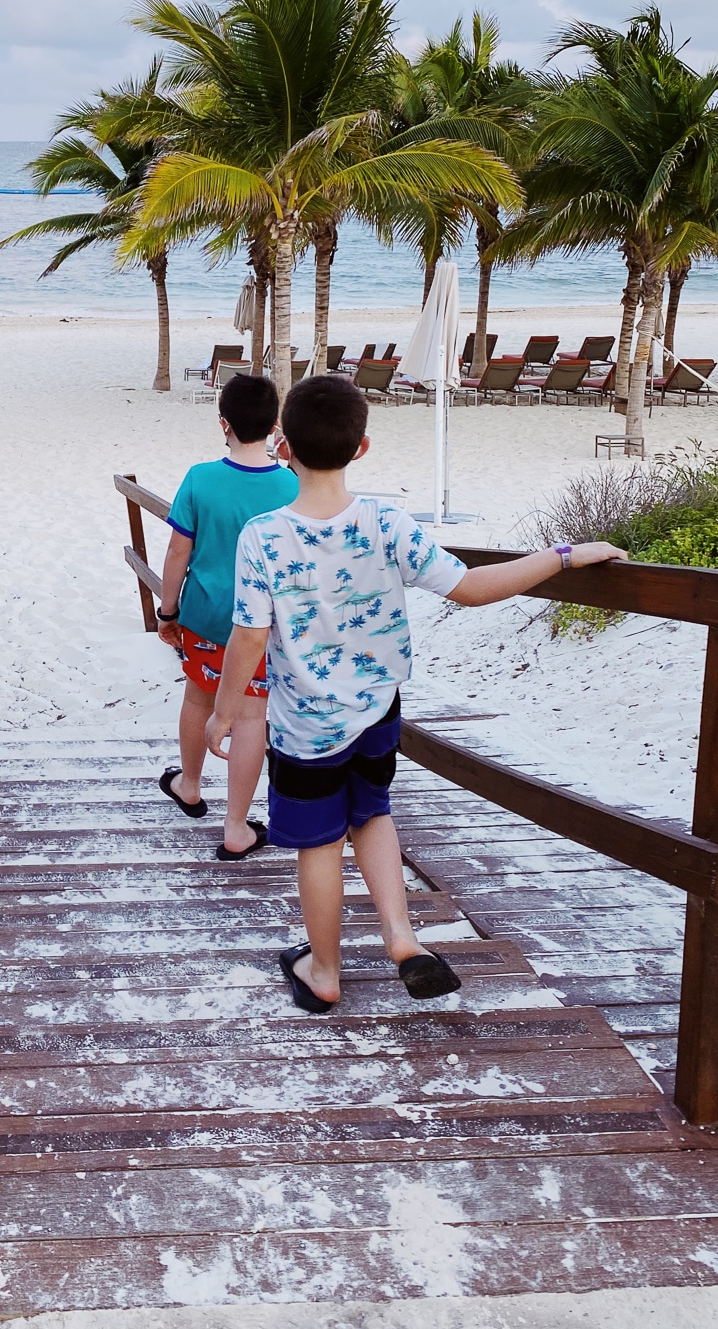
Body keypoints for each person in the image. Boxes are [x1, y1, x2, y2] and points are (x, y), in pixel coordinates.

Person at [205, 373, 626, 1011]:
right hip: (378, 710)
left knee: (319, 844)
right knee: (372, 814)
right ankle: (402, 938)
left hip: (306, 727)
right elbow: (473, 586)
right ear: (362, 447)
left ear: (283, 445)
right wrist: (563, 555)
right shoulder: (385, 521)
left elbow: (249, 639)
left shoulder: (263, 536)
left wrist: (224, 712)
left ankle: (324, 971)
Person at [155, 372, 298, 859]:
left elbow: (178, 553)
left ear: (224, 425)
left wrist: (167, 610)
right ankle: (236, 826)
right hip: (262, 627)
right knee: (252, 716)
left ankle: (190, 785)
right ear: (275, 424)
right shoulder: (290, 485)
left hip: (204, 617)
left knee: (199, 699)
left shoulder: (200, 478)